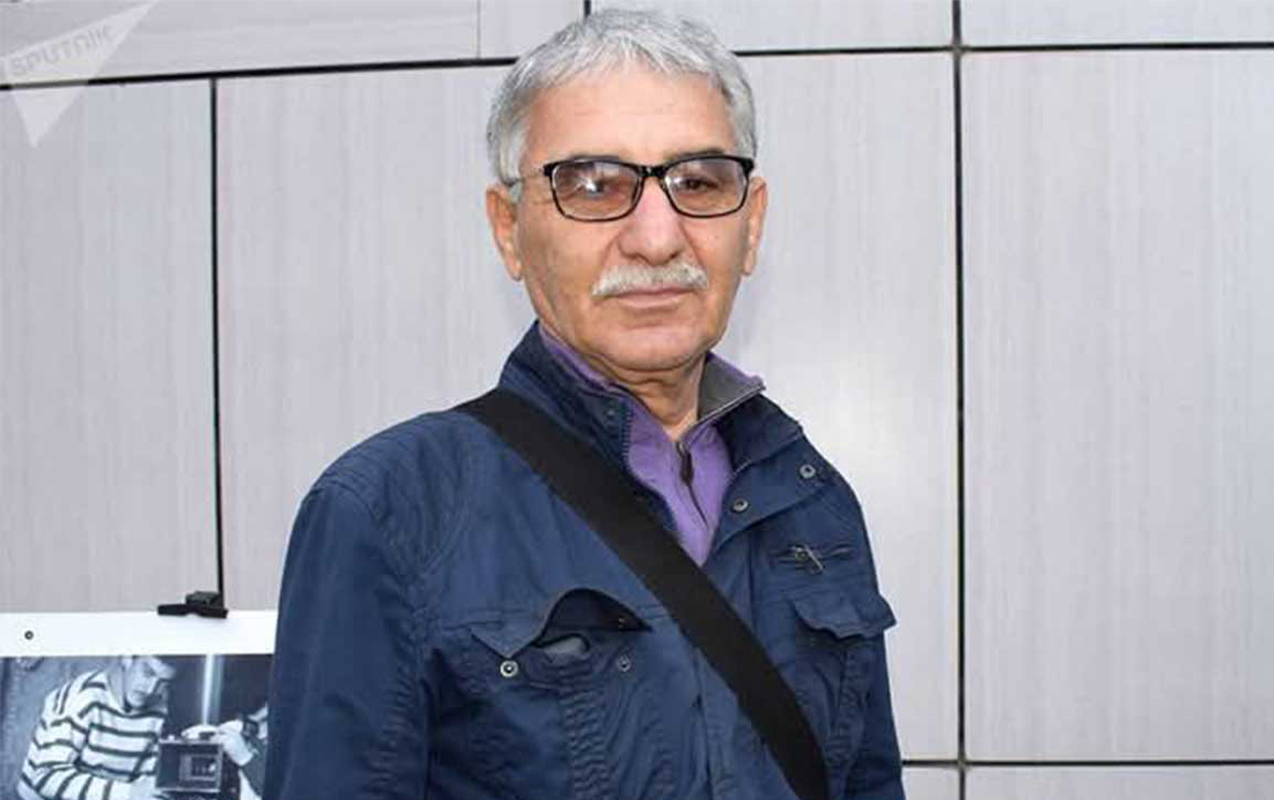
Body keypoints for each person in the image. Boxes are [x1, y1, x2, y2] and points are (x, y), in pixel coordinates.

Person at [268, 8, 903, 799]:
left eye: (699, 182)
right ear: (508, 229)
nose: (657, 239)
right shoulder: (391, 511)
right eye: (594, 186)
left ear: (752, 223)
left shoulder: (811, 500)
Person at [17, 655, 176, 800]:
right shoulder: (85, 695)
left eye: (163, 682)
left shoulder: (159, 707)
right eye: (148, 672)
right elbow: (46, 777)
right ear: (127, 658)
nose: (151, 689)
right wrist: (129, 793)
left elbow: (145, 783)